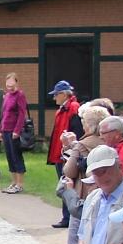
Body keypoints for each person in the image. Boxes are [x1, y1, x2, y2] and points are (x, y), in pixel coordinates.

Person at [59, 104, 112, 244]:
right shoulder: (110, 146)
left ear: (89, 125)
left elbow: (69, 172)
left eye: (83, 122)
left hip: (84, 197)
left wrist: (71, 151)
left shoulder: (83, 145)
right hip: (105, 202)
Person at [47, 80, 82, 228]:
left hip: (67, 155)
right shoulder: (63, 109)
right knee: (64, 185)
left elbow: (77, 132)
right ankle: (66, 217)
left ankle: (70, 217)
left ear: (63, 94)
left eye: (56, 95)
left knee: (68, 186)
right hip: (60, 154)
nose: (54, 98)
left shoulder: (73, 109)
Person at [0, 72, 28, 194]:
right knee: (9, 156)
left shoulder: (20, 95)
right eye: (7, 82)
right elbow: (4, 114)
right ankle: (13, 182)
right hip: (5, 129)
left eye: (11, 82)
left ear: (16, 82)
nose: (9, 85)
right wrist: (0, 130)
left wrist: (17, 130)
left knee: (16, 156)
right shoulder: (7, 96)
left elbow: (21, 114)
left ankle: (20, 184)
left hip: (14, 130)